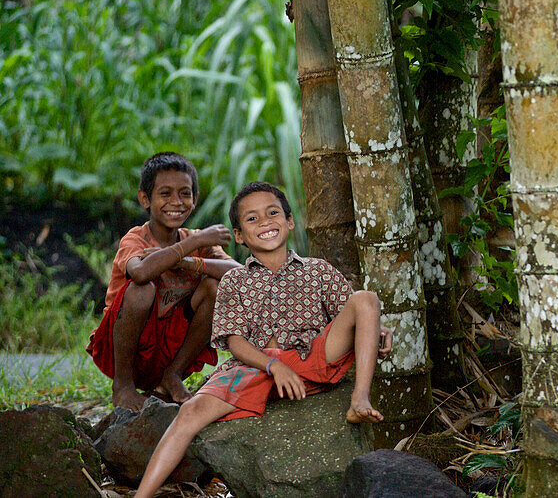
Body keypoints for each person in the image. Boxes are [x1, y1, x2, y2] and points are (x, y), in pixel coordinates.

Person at [133, 181, 393, 498]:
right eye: (252, 218)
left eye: (273, 213)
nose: (266, 222)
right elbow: (236, 343)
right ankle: (141, 496)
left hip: (311, 355)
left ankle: (359, 400)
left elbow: (351, 313)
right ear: (240, 236)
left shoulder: (318, 270)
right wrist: (273, 365)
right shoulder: (235, 279)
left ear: (289, 221)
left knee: (366, 300)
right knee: (189, 413)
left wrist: (376, 328)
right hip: (255, 365)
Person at [87, 152, 239, 410]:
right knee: (141, 289)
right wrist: (193, 243)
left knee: (216, 286)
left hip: (170, 351)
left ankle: (172, 376)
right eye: (165, 194)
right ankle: (122, 387)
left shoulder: (196, 241)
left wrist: (188, 261)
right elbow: (141, 273)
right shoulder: (135, 239)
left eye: (185, 193)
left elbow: (237, 274)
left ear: (195, 199)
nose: (176, 202)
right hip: (125, 351)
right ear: (145, 199)